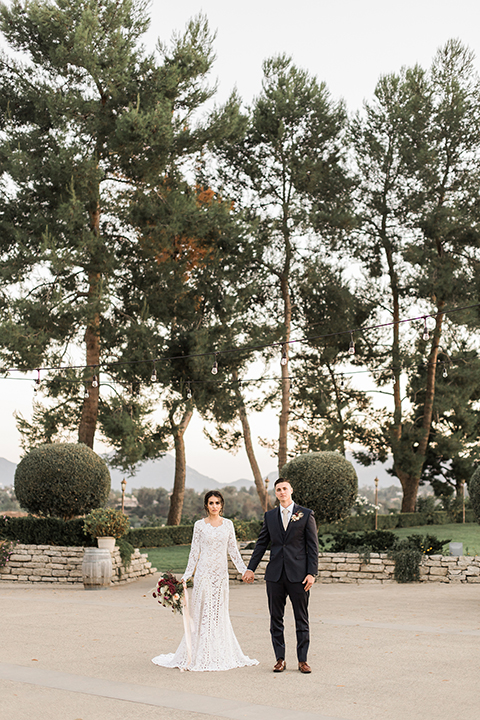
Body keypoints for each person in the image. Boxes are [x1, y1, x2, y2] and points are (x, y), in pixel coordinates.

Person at [152, 490, 258, 672]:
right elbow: (194, 552)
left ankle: (218, 651)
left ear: (222, 505)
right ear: (206, 505)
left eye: (217, 503)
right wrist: (186, 576)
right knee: (203, 612)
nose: (214, 506)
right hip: (204, 574)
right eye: (211, 503)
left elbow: (233, 550)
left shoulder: (228, 525)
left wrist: (244, 570)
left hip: (220, 575)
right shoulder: (199, 525)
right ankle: (199, 653)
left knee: (218, 612)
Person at [242, 478, 318, 674]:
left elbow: (312, 547)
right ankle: (280, 659)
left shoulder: (305, 514)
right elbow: (261, 544)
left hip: (299, 576)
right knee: (276, 618)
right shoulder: (270, 516)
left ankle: (303, 660)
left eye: (285, 488)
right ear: (275, 493)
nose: (282, 492)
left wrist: (311, 573)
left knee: (301, 618)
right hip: (275, 576)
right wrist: (251, 568)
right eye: (278, 490)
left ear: (291, 490)